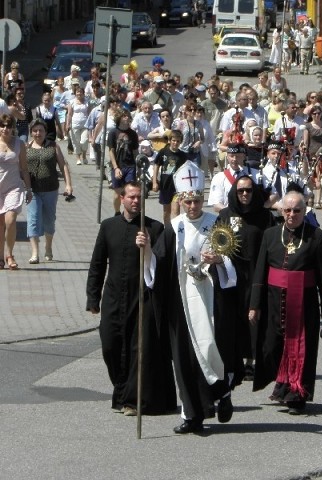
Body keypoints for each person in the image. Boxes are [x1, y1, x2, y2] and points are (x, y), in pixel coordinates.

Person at [150, 161, 237, 433]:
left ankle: (222, 393)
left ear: (203, 200)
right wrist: (145, 253)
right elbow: (160, 262)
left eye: (197, 201)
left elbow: (233, 257)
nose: (193, 206)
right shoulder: (174, 227)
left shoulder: (216, 223)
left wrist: (219, 259)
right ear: (181, 201)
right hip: (182, 300)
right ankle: (191, 414)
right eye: (188, 202)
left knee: (209, 348)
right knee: (185, 358)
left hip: (211, 297)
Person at [86, 182, 177, 416]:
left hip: (142, 299)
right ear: (122, 198)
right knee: (110, 345)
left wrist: (147, 247)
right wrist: (92, 297)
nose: (136, 201)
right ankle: (121, 389)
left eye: (140, 198)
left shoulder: (154, 228)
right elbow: (97, 264)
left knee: (138, 351)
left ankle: (131, 400)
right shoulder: (108, 226)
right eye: (132, 197)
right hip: (114, 297)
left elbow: (161, 266)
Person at [248, 191, 322, 415]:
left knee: (301, 348)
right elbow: (260, 271)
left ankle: (297, 395)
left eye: (297, 210)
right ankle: (283, 384)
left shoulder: (316, 236)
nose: (292, 214)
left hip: (304, 303)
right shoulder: (270, 234)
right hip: (274, 302)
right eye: (288, 210)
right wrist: (254, 304)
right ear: (281, 211)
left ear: (304, 211)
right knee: (273, 346)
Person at [217, 176, 275, 379]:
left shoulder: (265, 216)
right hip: (231, 274)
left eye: (248, 190)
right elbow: (217, 242)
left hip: (257, 273)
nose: (244, 194)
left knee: (254, 316)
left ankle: (251, 360)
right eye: (240, 191)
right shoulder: (225, 214)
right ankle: (234, 360)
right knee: (232, 317)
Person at [26, 119, 72, 264]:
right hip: (32, 189)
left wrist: (68, 185)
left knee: (49, 220)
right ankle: (35, 253)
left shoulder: (53, 146)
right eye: (35, 131)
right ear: (31, 132)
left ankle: (48, 246)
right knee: (33, 218)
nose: (38, 133)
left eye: (40, 130)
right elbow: (21, 168)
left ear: (45, 132)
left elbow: (63, 165)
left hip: (50, 189)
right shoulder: (26, 147)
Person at [0, 114, 32, 270]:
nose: (5, 129)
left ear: (13, 128)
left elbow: (24, 169)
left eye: (8, 126)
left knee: (10, 220)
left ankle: (9, 254)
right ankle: (0, 258)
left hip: (13, 187)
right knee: (0, 224)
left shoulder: (19, 144)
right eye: (3, 125)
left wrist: (29, 189)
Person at [153, 129, 188, 224]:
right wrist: (154, 181)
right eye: (173, 140)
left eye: (178, 141)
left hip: (177, 188)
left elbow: (186, 171)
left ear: (180, 142)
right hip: (165, 185)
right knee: (166, 211)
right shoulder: (163, 152)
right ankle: (167, 229)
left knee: (176, 211)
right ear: (170, 140)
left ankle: (175, 231)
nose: (175, 143)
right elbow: (156, 165)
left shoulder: (183, 156)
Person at [108, 109, 139, 215]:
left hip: (130, 166)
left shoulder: (133, 134)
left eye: (128, 116)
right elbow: (111, 151)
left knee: (130, 191)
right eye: (124, 116)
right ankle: (117, 212)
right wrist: (116, 168)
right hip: (118, 165)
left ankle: (128, 212)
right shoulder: (113, 132)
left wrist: (138, 167)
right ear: (119, 118)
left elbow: (135, 151)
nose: (127, 118)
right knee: (117, 193)